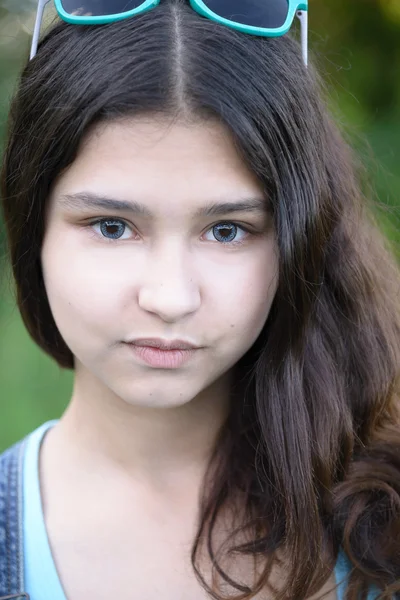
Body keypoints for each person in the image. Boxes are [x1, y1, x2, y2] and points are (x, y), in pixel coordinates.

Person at [0, 1, 399, 599]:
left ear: (299, 238)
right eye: (112, 226)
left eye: (227, 230)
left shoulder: (382, 513)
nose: (169, 297)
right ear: (33, 227)